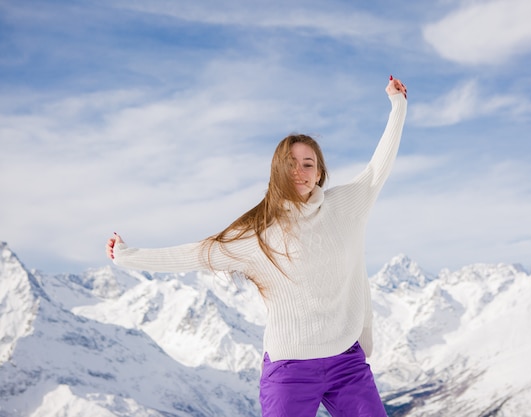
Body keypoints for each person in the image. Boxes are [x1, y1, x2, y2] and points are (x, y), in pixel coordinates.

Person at [106, 75, 407, 417]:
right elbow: (198, 254)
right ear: (277, 172)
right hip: (290, 368)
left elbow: (378, 166)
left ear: (320, 172)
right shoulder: (259, 235)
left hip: (345, 361)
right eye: (290, 164)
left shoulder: (346, 206)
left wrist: (398, 105)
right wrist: (127, 256)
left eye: (308, 164)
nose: (300, 171)